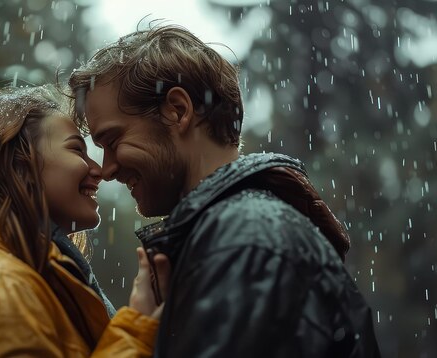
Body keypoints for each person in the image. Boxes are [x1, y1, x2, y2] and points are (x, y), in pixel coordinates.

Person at [68, 24, 381, 357]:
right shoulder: (237, 235)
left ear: (178, 110)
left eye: (113, 141)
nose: (107, 168)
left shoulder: (244, 241)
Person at [0, 85, 169, 357]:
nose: (99, 170)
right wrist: (135, 334)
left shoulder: (18, 276)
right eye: (77, 150)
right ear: (18, 164)